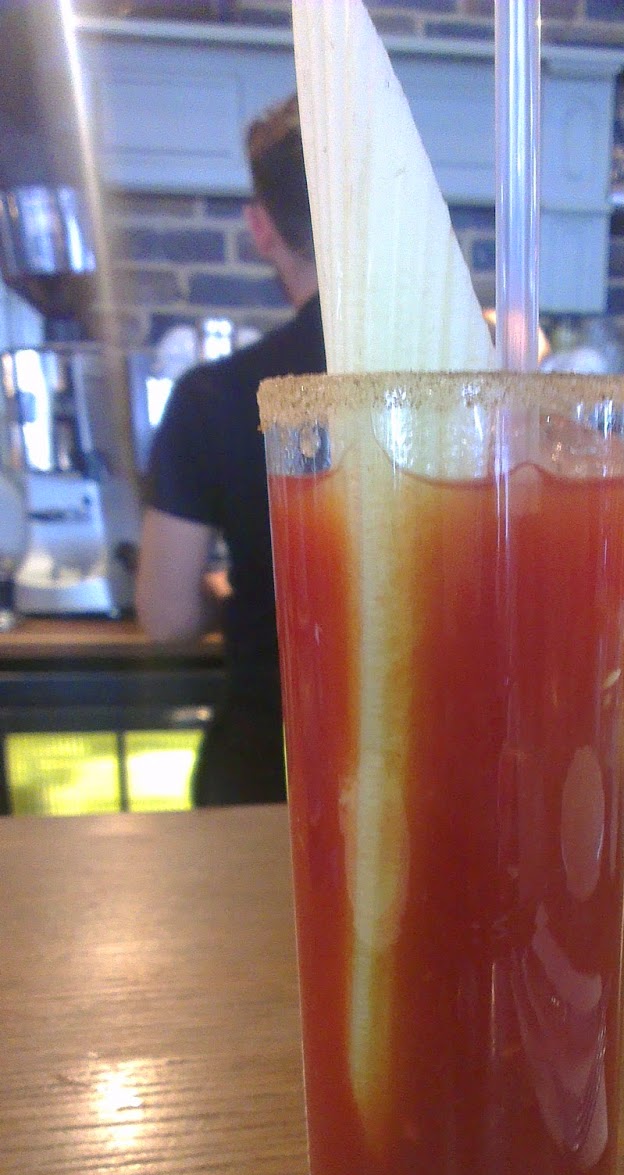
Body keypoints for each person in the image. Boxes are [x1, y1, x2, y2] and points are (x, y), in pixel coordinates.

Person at [136, 96, 325, 806]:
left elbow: (165, 617)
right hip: (429, 770)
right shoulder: (460, 389)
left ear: (260, 228)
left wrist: (226, 592)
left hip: (267, 769)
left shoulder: (212, 397)